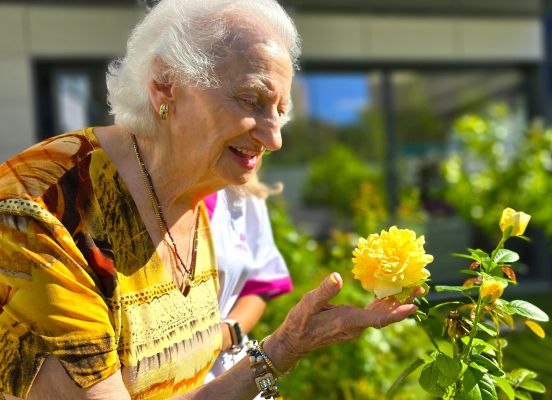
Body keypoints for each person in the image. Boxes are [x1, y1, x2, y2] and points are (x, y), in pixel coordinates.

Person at [0, 0, 419, 399]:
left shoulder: (190, 188)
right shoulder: (38, 211)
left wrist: (285, 346)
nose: (274, 138)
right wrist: (283, 348)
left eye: (280, 109)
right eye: (251, 100)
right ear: (166, 85)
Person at [205, 178, 292, 380]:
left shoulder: (243, 193)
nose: (273, 145)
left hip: (227, 367)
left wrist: (225, 335)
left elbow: (257, 288)